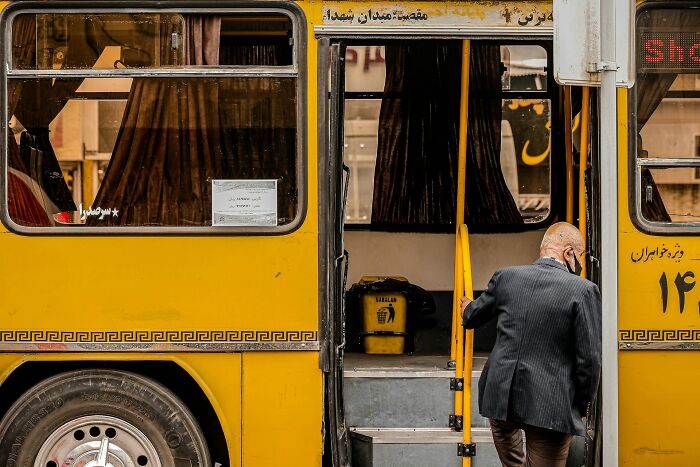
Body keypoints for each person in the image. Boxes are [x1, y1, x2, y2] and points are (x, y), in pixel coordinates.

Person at [461, 222, 601, 467]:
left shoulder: (506, 277)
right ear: (569, 253)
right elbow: (588, 358)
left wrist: (466, 308)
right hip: (550, 406)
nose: (580, 264)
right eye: (580, 257)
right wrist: (583, 405)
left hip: (500, 398)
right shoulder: (583, 290)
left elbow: (473, 316)